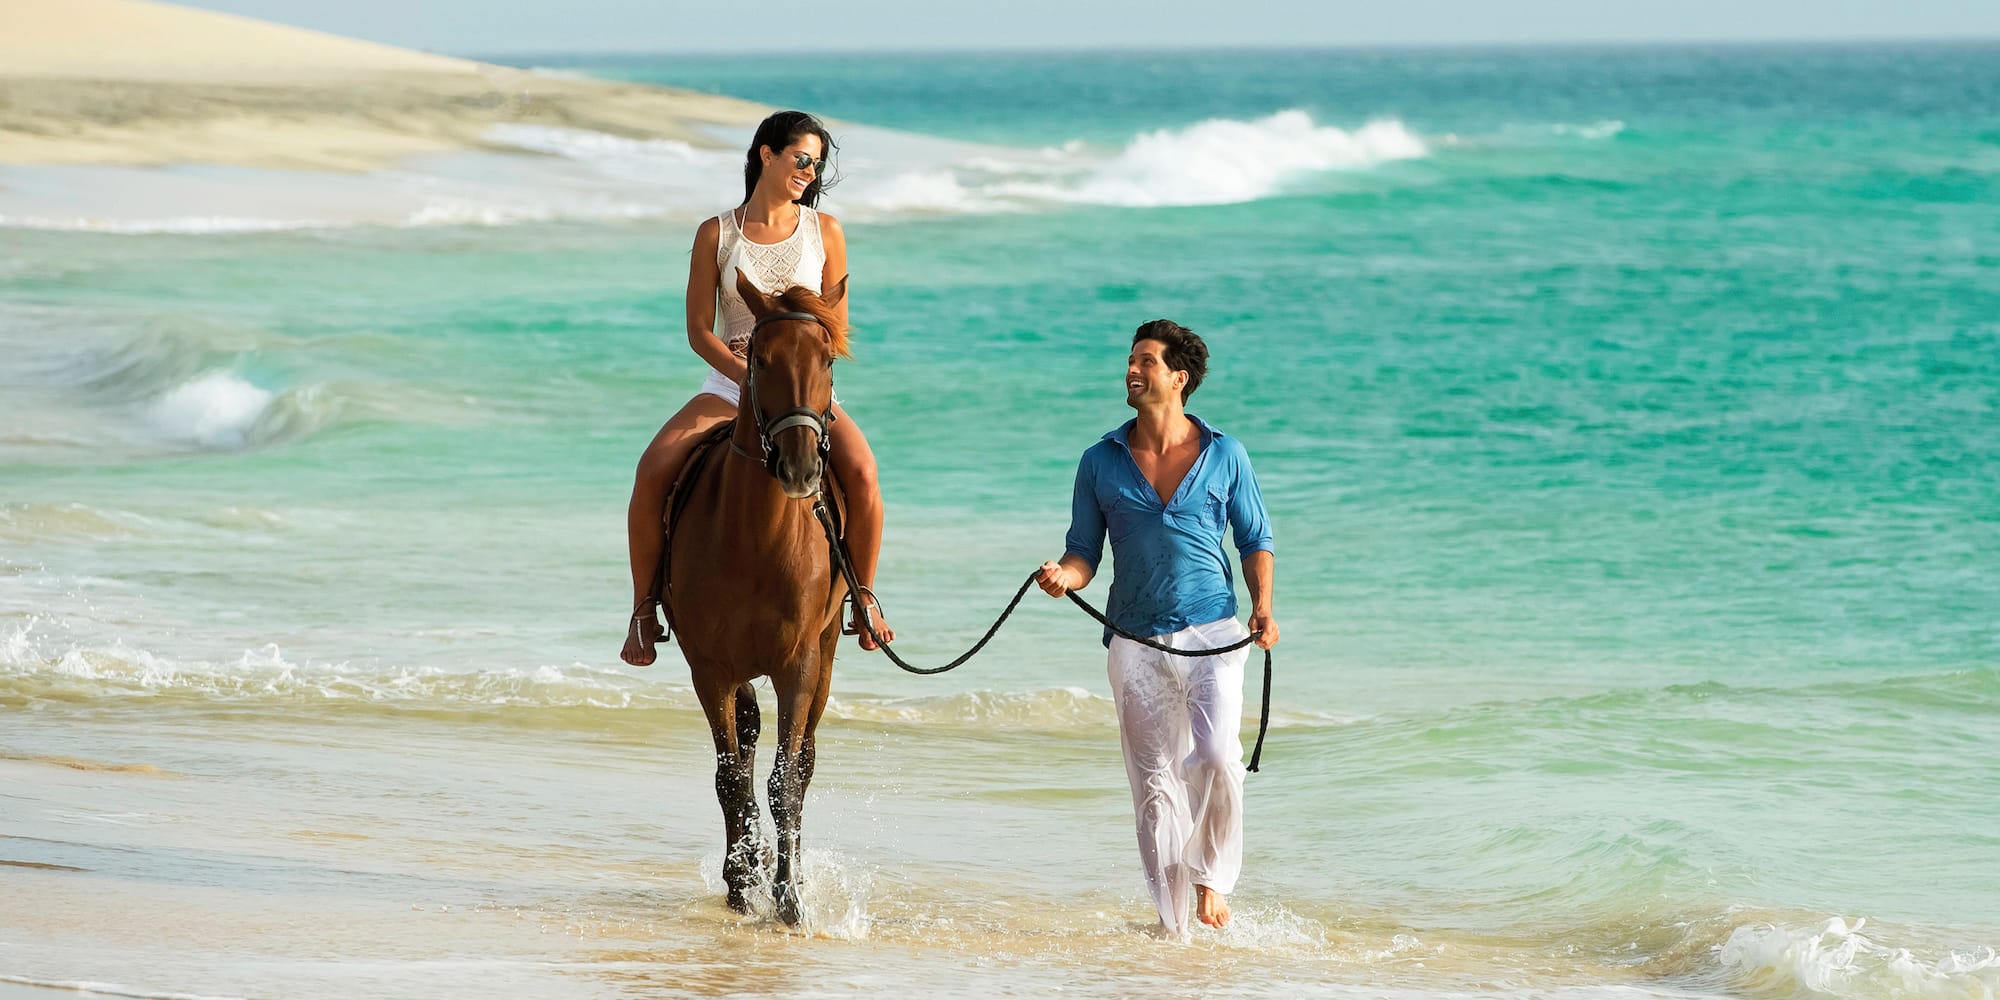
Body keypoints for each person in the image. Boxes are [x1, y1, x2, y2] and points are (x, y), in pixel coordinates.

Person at [621, 110, 894, 666]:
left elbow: (834, 331)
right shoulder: (716, 233)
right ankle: (644, 609)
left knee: (863, 474)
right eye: (800, 159)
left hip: (804, 392)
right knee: (652, 470)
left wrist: (797, 377)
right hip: (730, 381)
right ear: (766, 154)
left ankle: (862, 598)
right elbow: (700, 330)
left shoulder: (828, 231)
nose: (808, 173)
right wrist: (747, 374)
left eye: (815, 165)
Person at [1036, 320, 1278, 938]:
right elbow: (1084, 550)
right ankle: (1173, 927)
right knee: (1153, 789)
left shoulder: (1226, 454)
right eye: (1129, 360)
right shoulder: (1100, 460)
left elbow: (1255, 538)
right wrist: (1065, 575)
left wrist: (1263, 607)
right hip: (1134, 640)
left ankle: (1211, 880)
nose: (1131, 370)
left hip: (1214, 633)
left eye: (1146, 360)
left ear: (1179, 377)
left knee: (1219, 758)